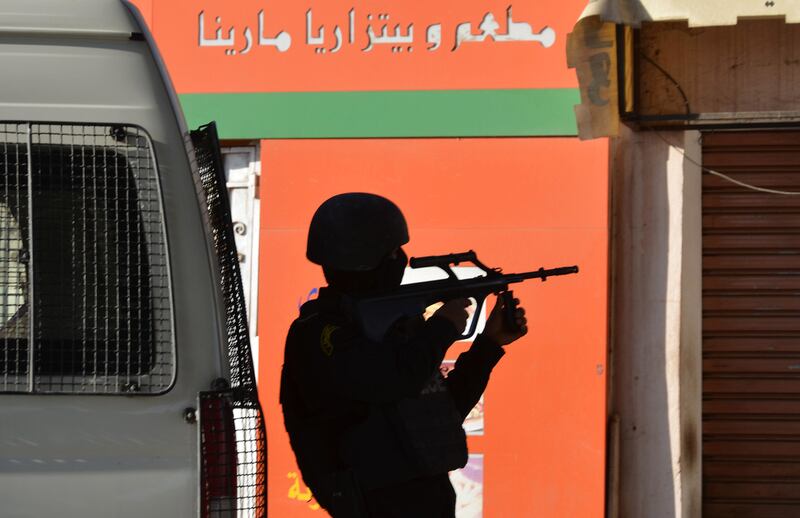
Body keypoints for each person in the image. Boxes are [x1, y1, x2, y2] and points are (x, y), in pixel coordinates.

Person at [280, 192, 528, 517]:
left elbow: (440, 412)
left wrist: (489, 345)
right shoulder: (320, 334)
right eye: (393, 252)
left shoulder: (387, 327)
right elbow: (391, 381)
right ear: (365, 261)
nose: (402, 259)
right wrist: (442, 326)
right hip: (373, 501)